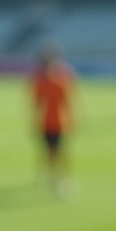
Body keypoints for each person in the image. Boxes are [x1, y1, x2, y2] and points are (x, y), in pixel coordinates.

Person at [30, 47, 76, 196]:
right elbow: (37, 105)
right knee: (49, 151)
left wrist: (71, 120)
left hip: (58, 123)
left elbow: (67, 104)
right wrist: (34, 122)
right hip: (46, 123)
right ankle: (52, 177)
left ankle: (62, 178)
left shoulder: (60, 82)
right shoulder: (41, 83)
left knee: (60, 152)